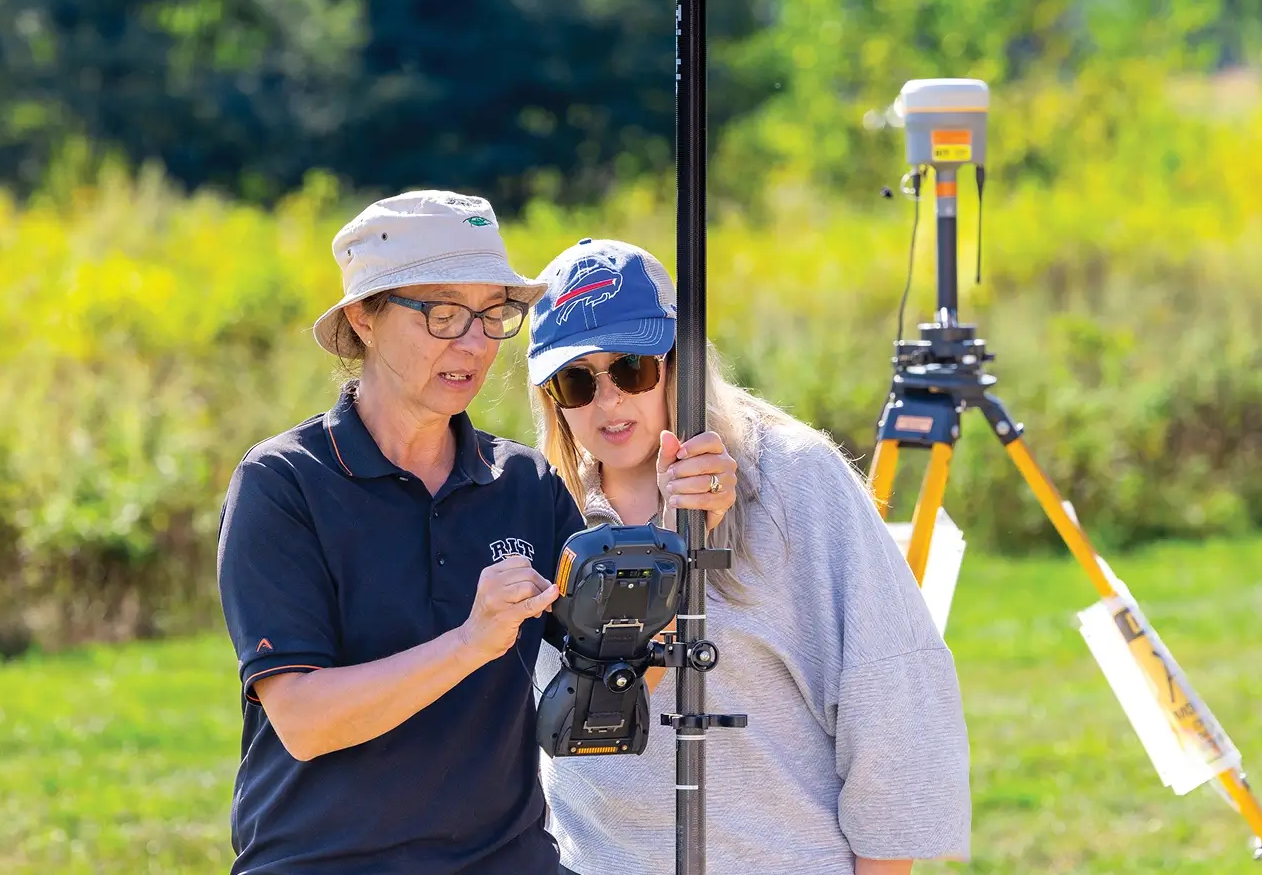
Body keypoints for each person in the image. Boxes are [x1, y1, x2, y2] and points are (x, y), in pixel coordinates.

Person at [213, 192, 739, 874]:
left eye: (494, 314)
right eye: (443, 314)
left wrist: (677, 527)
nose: (474, 343)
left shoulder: (525, 485)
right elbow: (306, 724)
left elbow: (628, 672)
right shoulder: (283, 484)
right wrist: (469, 643)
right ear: (362, 320)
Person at [526, 237, 973, 875]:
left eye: (632, 368)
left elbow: (892, 694)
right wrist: (672, 550)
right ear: (552, 398)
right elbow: (570, 731)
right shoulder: (541, 506)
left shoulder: (795, 478)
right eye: (576, 380)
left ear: (676, 363)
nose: (608, 400)